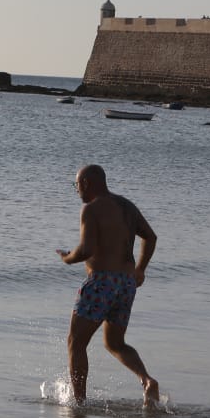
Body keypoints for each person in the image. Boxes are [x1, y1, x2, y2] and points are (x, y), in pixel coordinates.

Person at [55, 164, 159, 405]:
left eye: (77, 185)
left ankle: (78, 402)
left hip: (101, 282)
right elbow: (151, 237)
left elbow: (86, 250)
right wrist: (140, 269)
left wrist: (67, 257)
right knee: (115, 343)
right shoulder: (126, 206)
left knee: (75, 342)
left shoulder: (90, 209)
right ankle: (146, 380)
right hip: (125, 284)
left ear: (87, 184)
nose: (77, 190)